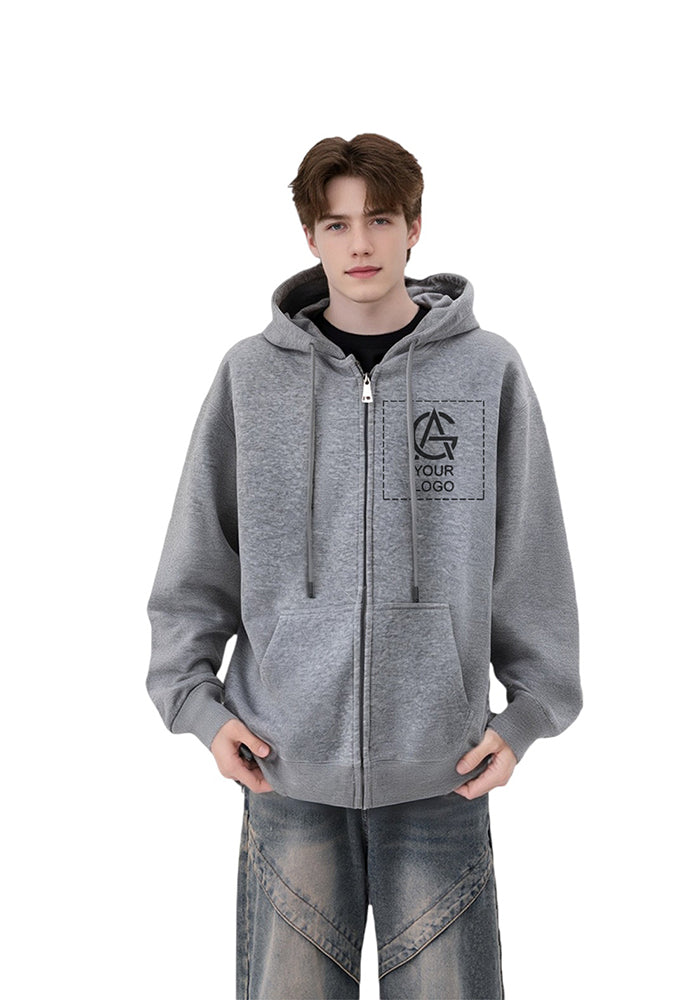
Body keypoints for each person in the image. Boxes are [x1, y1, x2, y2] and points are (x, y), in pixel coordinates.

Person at [146, 133, 582, 999]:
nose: (360, 244)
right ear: (310, 235)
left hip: (443, 773)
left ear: (414, 228)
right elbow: (198, 558)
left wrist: (528, 715)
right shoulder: (251, 377)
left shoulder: (487, 370)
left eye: (380, 220)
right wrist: (195, 705)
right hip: (285, 765)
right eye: (337, 223)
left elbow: (529, 555)